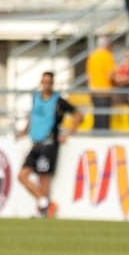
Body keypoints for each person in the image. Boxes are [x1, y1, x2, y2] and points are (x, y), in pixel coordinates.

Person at [15, 71, 81, 219]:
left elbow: (78, 115)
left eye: (49, 82)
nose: (46, 85)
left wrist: (68, 133)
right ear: (41, 83)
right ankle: (45, 203)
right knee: (22, 175)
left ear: (52, 84)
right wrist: (25, 131)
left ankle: (43, 210)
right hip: (35, 142)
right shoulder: (36, 98)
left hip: (49, 143)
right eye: (44, 82)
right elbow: (33, 116)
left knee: (43, 178)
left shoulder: (58, 101)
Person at [85, 36, 115, 131]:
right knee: (104, 122)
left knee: (97, 120)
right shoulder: (108, 56)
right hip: (105, 92)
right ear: (107, 45)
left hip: (94, 92)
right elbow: (110, 76)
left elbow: (89, 76)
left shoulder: (92, 56)